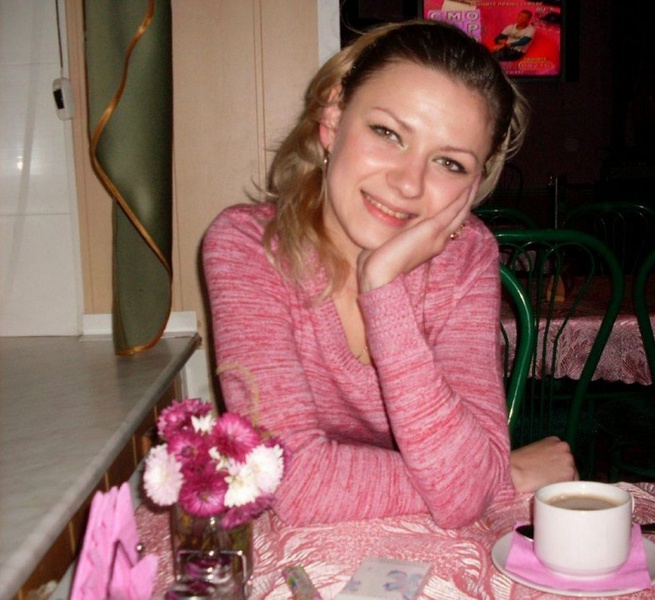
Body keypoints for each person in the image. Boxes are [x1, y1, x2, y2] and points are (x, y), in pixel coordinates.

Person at [202, 19, 575, 528]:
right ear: (333, 116)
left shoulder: (466, 256)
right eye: (387, 133)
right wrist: (498, 476)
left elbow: (467, 491)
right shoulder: (247, 246)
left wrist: (382, 288)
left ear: (475, 184)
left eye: (449, 163)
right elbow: (288, 481)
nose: (407, 183)